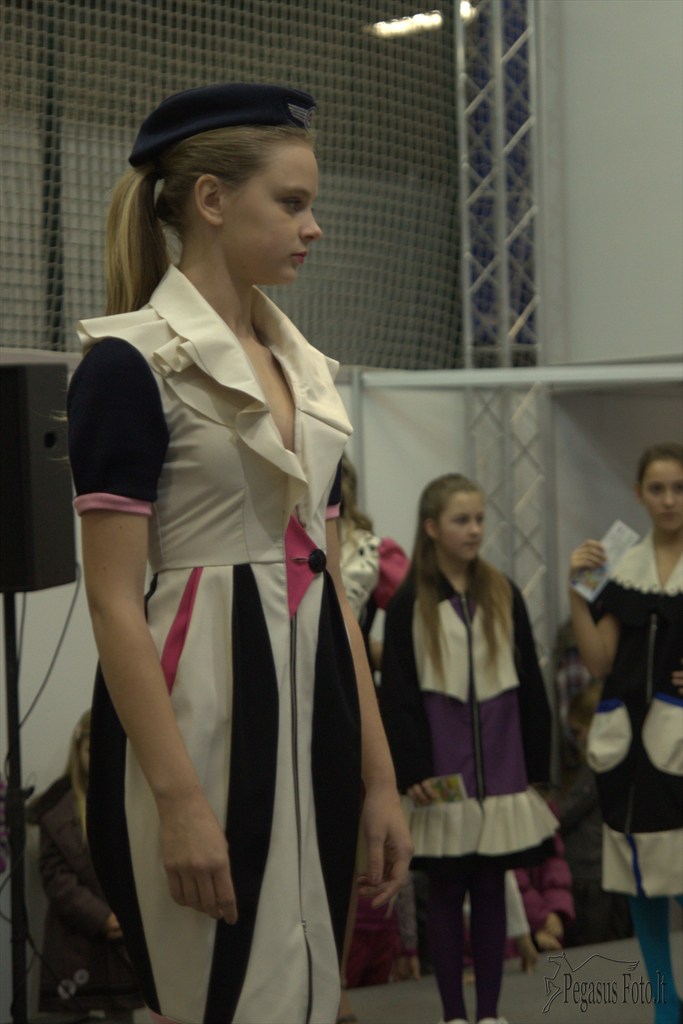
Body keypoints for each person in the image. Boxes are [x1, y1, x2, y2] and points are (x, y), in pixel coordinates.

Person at [66, 82, 412, 1024]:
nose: (313, 227)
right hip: (199, 717)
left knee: (308, 991)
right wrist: (178, 799)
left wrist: (380, 777)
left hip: (316, 710)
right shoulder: (129, 365)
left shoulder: (309, 373)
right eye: (291, 203)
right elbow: (112, 602)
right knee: (214, 994)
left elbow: (333, 593)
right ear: (212, 200)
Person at [380, 472, 558, 1024]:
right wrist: (411, 770)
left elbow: (531, 686)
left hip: (502, 772)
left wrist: (537, 765)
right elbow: (399, 696)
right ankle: (453, 1014)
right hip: (441, 774)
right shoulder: (410, 603)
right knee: (446, 887)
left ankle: (489, 1013)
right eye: (462, 520)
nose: (475, 529)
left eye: (480, 519)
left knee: (490, 885)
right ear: (432, 527)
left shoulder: (503, 592)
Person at [568, 441, 683, 1024]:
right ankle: (665, 1006)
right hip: (629, 752)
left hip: (679, 747)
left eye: (679, 488)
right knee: (641, 879)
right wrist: (576, 591)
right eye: (657, 489)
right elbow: (599, 661)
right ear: (638, 494)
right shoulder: (619, 565)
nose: (669, 500)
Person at [27, 710, 143, 1019]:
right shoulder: (57, 808)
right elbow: (57, 879)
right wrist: (101, 917)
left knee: (121, 1012)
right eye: (93, 750)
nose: (101, 758)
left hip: (122, 936)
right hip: (76, 937)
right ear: (79, 750)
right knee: (75, 1014)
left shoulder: (131, 800)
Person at [558, 682, 633, 947]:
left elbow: (565, 814)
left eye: (578, 731)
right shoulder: (624, 761)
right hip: (610, 871)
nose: (576, 739)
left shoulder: (594, 769)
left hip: (588, 874)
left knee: (590, 951)